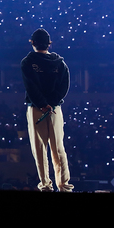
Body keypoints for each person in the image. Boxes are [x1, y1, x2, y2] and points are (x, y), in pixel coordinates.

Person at [21, 28, 73, 192]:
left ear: (33, 43)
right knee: (58, 147)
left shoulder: (27, 62)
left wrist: (43, 104)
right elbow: (64, 86)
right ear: (49, 44)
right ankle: (64, 185)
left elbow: (31, 87)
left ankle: (45, 185)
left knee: (39, 148)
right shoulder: (60, 63)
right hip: (55, 109)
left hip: (37, 109)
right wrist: (52, 103)